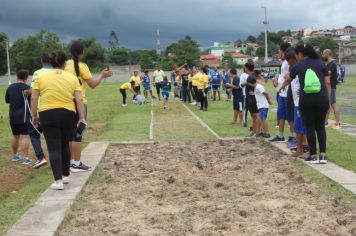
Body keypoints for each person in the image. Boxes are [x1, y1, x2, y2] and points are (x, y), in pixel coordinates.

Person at [31, 51, 86, 190]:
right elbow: (79, 99)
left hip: (47, 113)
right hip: (68, 113)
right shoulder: (72, 77)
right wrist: (81, 117)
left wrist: (34, 115)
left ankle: (58, 181)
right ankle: (66, 176)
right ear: (64, 63)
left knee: (53, 147)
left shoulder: (41, 76)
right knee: (64, 144)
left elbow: (33, 97)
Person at [65, 41, 112, 172]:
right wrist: (102, 75)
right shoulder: (82, 66)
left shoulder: (64, 64)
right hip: (79, 101)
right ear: (82, 52)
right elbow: (93, 84)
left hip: (66, 102)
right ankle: (76, 163)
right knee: (78, 132)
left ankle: (70, 162)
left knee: (69, 134)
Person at [282, 44, 329, 164]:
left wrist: (282, 86)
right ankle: (323, 155)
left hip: (306, 99)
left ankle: (313, 156)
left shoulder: (298, 65)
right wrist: (326, 97)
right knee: (320, 127)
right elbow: (327, 81)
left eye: (297, 55)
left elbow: (289, 79)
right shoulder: (321, 63)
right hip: (322, 98)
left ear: (300, 54)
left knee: (310, 127)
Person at [29, 54, 52, 168]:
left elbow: (34, 94)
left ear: (41, 60)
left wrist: (34, 114)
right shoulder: (58, 72)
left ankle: (41, 157)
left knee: (33, 132)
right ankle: (59, 159)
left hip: (42, 108)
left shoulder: (37, 73)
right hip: (58, 107)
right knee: (54, 135)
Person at [270, 43, 295, 143]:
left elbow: (290, 75)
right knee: (280, 115)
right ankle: (280, 135)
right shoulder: (283, 63)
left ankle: (292, 135)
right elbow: (282, 76)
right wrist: (276, 80)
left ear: (283, 51)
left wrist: (283, 84)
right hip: (281, 93)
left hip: (287, 92)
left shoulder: (287, 62)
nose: (278, 53)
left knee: (290, 116)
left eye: (279, 51)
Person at [5, 70, 31, 165]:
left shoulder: (10, 87)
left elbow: (7, 100)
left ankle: (15, 155)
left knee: (15, 136)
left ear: (17, 76)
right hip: (23, 116)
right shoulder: (28, 88)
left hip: (13, 116)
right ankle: (26, 158)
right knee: (25, 136)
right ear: (26, 77)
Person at [285, 49, 308, 158]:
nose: (289, 65)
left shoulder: (301, 68)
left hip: (301, 102)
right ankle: (300, 148)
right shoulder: (294, 69)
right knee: (298, 127)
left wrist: (303, 89)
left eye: (290, 62)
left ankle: (304, 147)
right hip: (296, 102)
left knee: (303, 126)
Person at [322, 49, 341, 129]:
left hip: (331, 87)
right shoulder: (325, 63)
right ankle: (325, 122)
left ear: (327, 54)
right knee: (326, 104)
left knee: (333, 103)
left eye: (323, 54)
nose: (322, 56)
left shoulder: (332, 64)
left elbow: (328, 77)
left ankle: (337, 123)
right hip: (325, 87)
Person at [243, 65, 261, 137]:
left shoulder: (252, 76)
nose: (244, 69)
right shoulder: (250, 76)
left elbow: (258, 85)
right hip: (249, 98)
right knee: (253, 116)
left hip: (253, 99)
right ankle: (254, 131)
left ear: (247, 68)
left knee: (256, 116)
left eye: (245, 67)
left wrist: (254, 93)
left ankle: (257, 132)